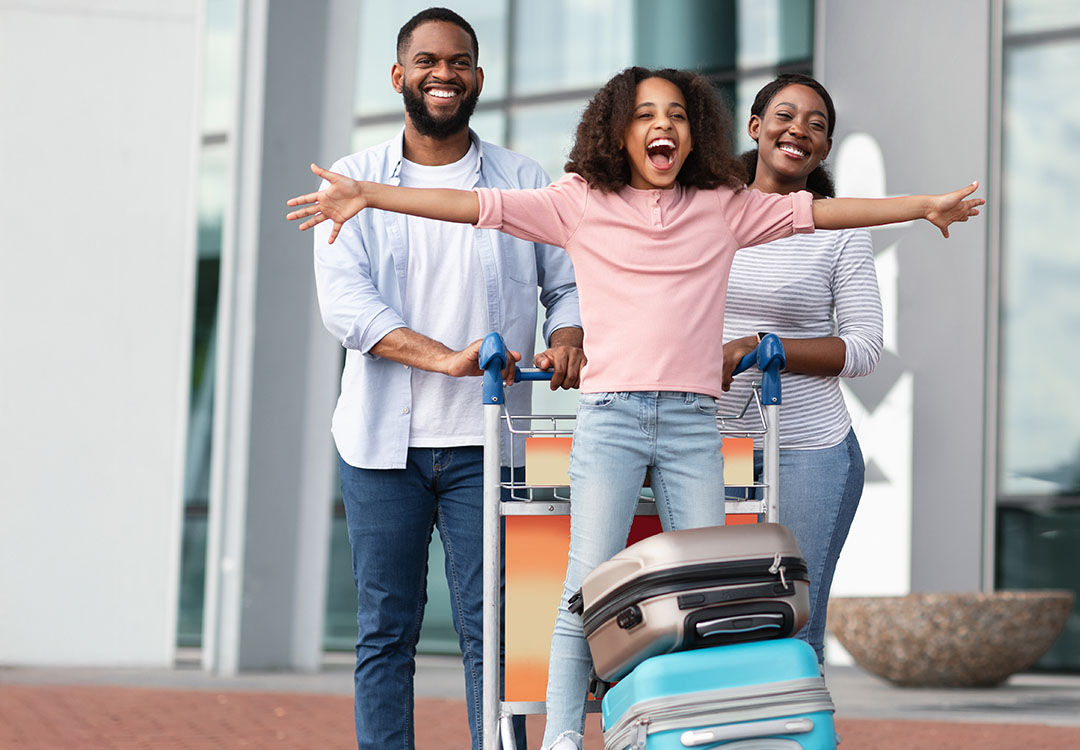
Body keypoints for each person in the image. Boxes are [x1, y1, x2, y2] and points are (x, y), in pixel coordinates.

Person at [287, 65, 982, 750]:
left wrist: (920, 207)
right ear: (619, 131)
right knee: (584, 585)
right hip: (610, 420)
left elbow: (824, 213)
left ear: (696, 132)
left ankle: (695, 730)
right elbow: (478, 208)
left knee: (705, 594)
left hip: (692, 424)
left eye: (677, 115)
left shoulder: (724, 207)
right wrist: (370, 196)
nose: (664, 126)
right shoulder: (578, 202)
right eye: (647, 114)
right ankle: (563, 736)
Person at [309, 8, 583, 750]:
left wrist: (566, 333)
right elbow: (348, 308)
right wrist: (444, 358)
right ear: (399, 76)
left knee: (495, 634)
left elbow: (567, 284)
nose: (444, 74)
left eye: (459, 62)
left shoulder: (523, 180)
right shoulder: (354, 181)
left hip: (490, 443)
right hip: (380, 447)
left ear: (479, 78)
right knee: (384, 634)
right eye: (427, 61)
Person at [719, 73, 877, 666]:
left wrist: (764, 345)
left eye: (817, 126)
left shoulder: (836, 227)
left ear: (825, 150)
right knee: (716, 621)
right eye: (785, 117)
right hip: (707, 443)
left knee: (793, 626)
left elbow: (863, 349)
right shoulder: (706, 212)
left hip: (810, 449)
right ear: (756, 128)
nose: (799, 132)